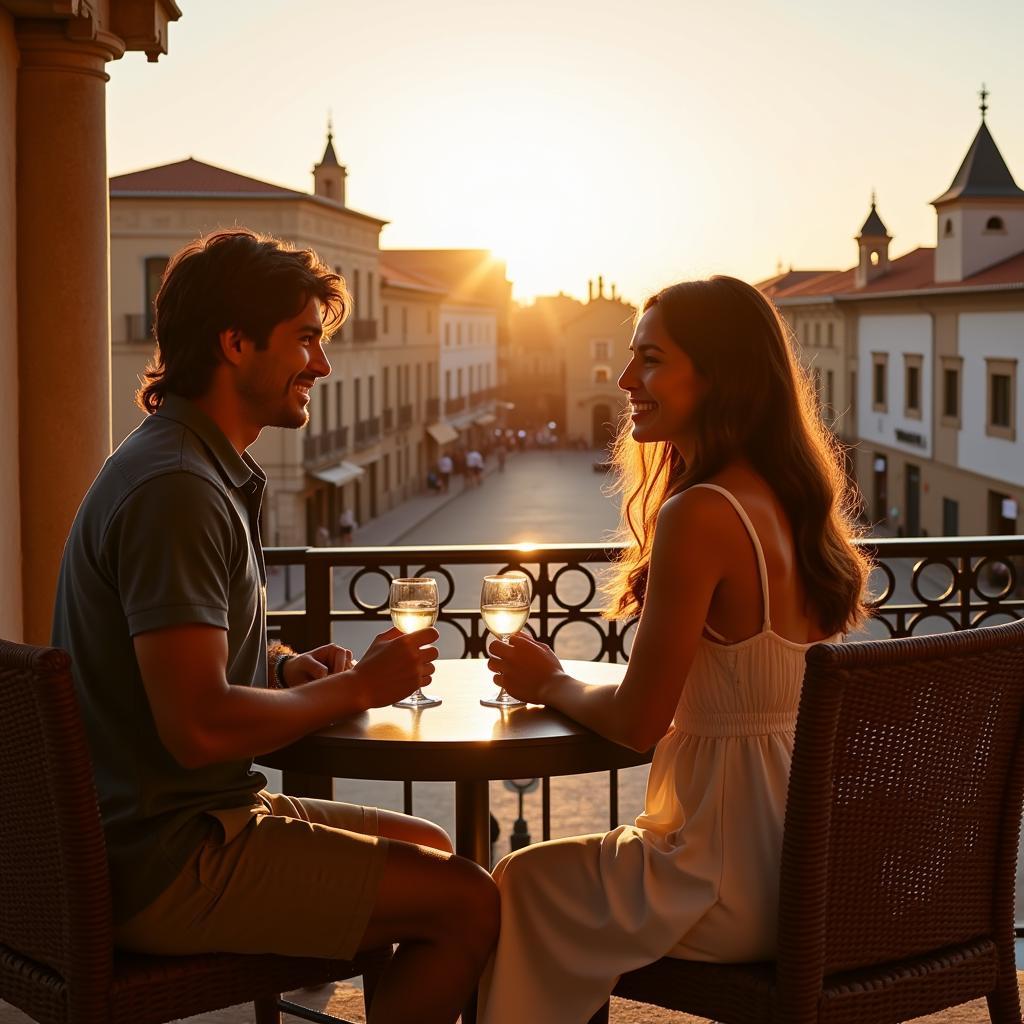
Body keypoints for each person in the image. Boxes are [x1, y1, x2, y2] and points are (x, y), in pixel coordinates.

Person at [51, 229, 498, 1024]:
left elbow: (191, 669)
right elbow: (197, 725)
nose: (320, 366)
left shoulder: (186, 464)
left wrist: (285, 668)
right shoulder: (178, 490)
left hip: (179, 826)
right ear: (234, 343)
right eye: (303, 340)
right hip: (167, 859)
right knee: (466, 901)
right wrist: (359, 686)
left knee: (432, 855)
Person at [478, 277, 871, 1023]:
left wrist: (551, 678)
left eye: (651, 359)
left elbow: (636, 722)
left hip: (726, 882)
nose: (626, 380)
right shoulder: (788, 497)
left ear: (719, 376)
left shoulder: (702, 512)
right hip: (807, 869)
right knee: (551, 878)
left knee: (518, 880)